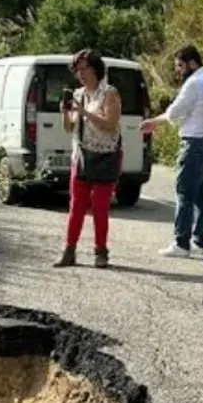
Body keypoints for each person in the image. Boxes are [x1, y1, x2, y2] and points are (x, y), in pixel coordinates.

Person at [141, 45, 203, 258]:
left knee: (184, 193)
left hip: (196, 143)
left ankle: (181, 243)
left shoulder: (195, 83)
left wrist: (153, 122)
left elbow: (175, 112)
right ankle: (201, 242)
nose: (178, 70)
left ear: (192, 63)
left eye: (180, 65)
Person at [54, 49, 122, 269]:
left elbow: (110, 125)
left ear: (96, 68)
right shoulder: (78, 94)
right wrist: (65, 112)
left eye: (85, 68)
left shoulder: (109, 93)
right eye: (77, 69)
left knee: (100, 208)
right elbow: (69, 128)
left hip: (105, 156)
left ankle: (101, 252)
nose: (81, 74)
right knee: (76, 207)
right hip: (82, 156)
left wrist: (84, 112)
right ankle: (69, 251)